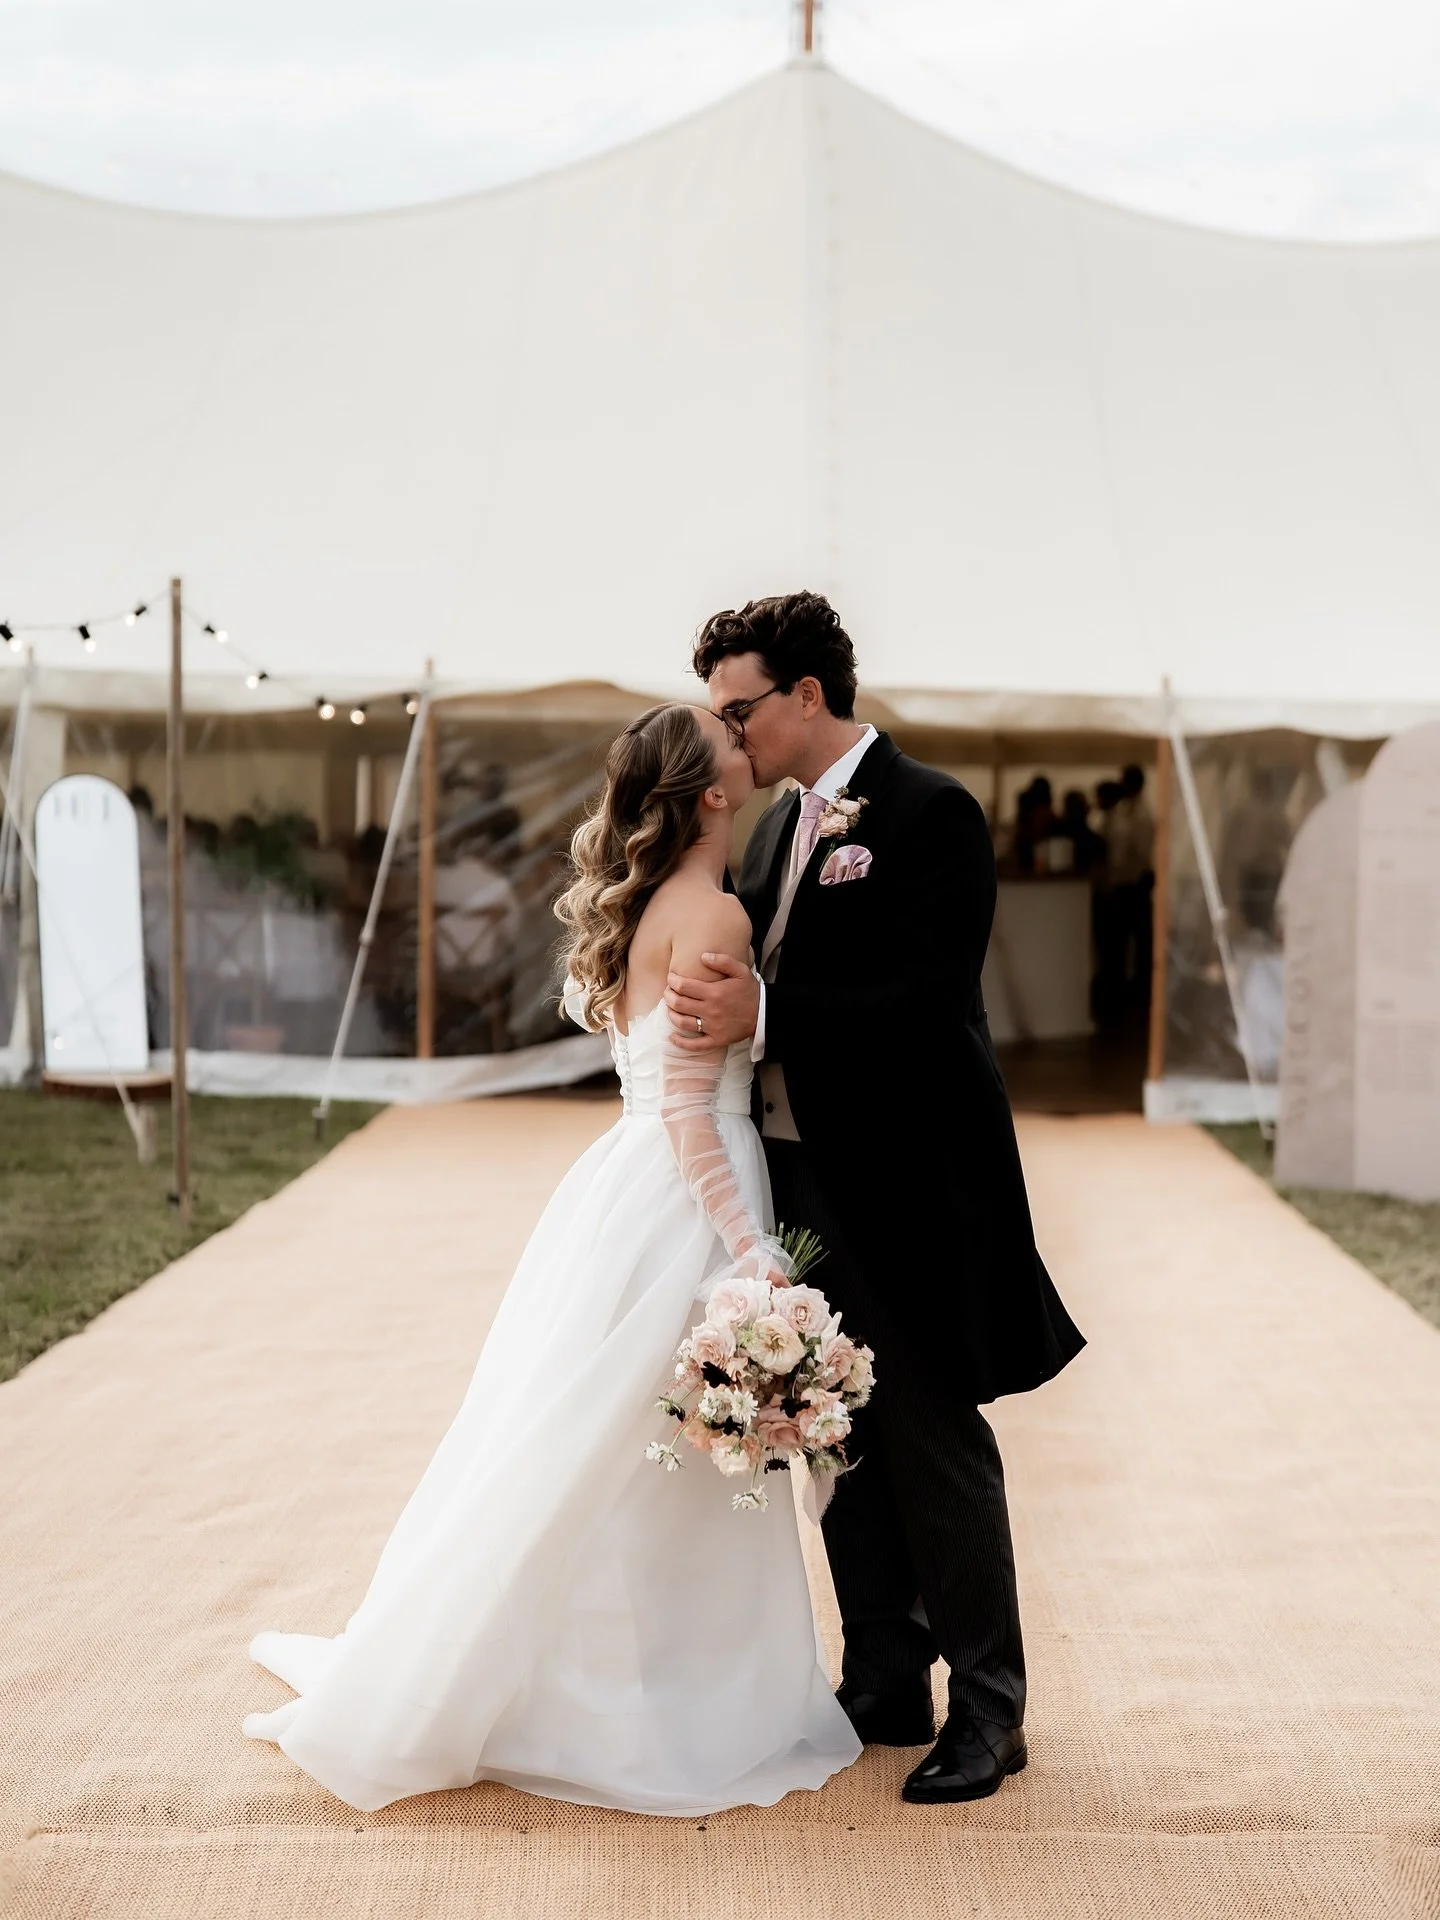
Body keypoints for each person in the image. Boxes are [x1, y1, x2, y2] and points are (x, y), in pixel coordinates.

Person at [241, 701, 860, 1814]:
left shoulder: (649, 908)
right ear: (714, 792)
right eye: (725, 735)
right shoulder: (712, 915)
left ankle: (590, 1677)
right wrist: (749, 1247)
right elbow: (684, 1107)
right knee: (657, 1454)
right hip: (688, 1194)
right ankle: (656, 1698)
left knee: (609, 1448)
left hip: (620, 1192)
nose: (741, 733)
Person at [666, 591, 1085, 1804]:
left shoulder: (931, 812)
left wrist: (771, 1017)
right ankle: (885, 1678)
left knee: (934, 1441)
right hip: (795, 1180)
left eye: (739, 711)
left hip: (910, 1185)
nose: (727, 737)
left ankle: (990, 1712)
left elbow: (927, 997)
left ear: (808, 697)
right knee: (828, 1431)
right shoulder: (769, 835)